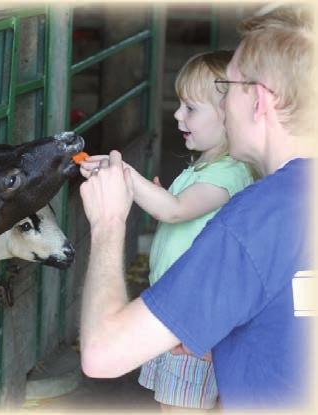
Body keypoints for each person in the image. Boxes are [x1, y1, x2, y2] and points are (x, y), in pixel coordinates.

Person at [78, 5, 314, 410]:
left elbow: (102, 354)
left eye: (229, 87)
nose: (222, 106)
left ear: (258, 100)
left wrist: (109, 222)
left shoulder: (252, 221)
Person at [81, 49, 253, 411]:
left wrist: (127, 178)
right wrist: (148, 190)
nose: (177, 115)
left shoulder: (229, 173)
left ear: (228, 116)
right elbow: (178, 214)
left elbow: (175, 212)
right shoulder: (204, 170)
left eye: (190, 108)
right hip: (179, 310)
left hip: (192, 318)